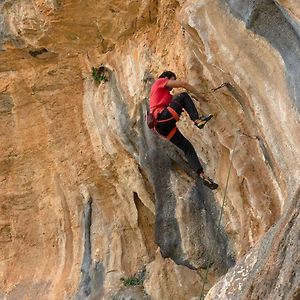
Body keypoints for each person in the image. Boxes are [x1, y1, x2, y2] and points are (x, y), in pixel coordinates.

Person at [149, 71, 218, 190]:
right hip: (163, 118)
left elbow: (177, 103)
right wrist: (200, 96)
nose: (171, 88)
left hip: (162, 128)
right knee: (184, 95)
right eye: (172, 79)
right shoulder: (159, 82)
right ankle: (197, 120)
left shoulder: (164, 96)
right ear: (167, 78)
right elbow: (183, 84)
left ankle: (202, 175)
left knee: (187, 148)